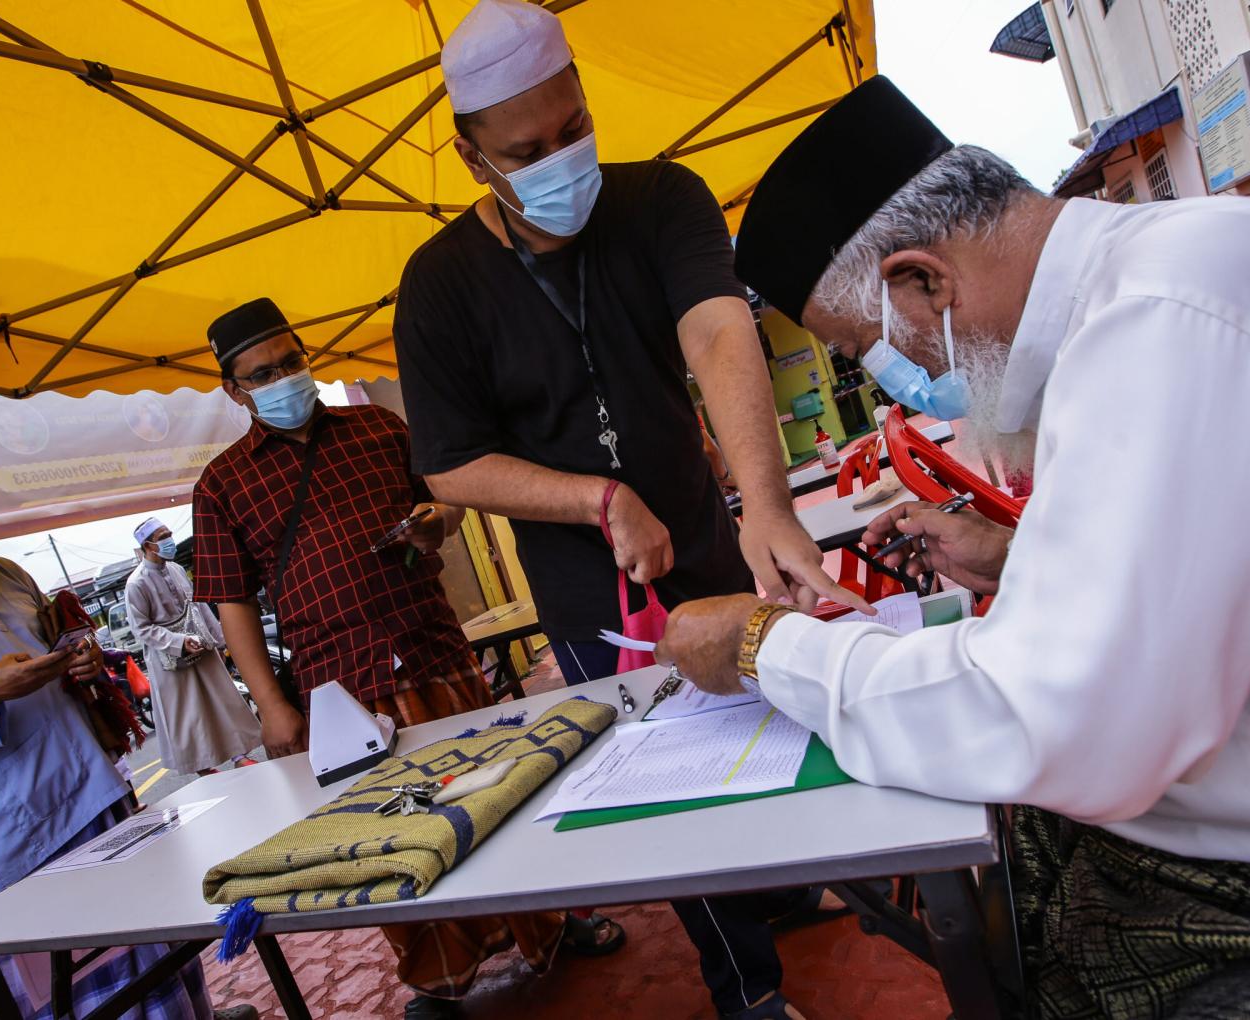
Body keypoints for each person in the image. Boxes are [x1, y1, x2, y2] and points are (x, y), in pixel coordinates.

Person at [657, 76, 1250, 1018]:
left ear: (920, 282)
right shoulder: (1185, 266)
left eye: (867, 353)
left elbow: (1053, 718)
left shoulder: (1162, 321)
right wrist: (1020, 555)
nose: (897, 386)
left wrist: (767, 645)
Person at [392, 4, 853, 1017]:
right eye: (528, 152)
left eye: (572, 129)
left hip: (702, 523)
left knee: (772, 705)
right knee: (672, 771)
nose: (563, 160)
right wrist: (597, 498)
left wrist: (764, 504)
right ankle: (749, 991)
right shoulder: (439, 286)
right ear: (476, 162)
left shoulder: (658, 200)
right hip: (586, 577)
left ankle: (783, 882)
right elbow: (449, 466)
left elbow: (719, 335)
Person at [191, 297, 622, 1019]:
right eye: (263, 373)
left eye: (292, 360)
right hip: (341, 691)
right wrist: (272, 706)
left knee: (500, 796)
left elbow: (446, 500)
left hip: (432, 648)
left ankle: (555, 922)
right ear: (235, 390)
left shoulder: (378, 427)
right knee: (381, 838)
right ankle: (437, 978)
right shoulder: (222, 484)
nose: (284, 378)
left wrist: (436, 525)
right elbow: (230, 599)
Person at [0, 443, 253, 1020]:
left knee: (164, 952)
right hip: (14, 832)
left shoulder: (9, 575)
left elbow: (57, 653)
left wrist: (77, 665)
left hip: (96, 794)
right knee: (91, 988)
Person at [124, 517, 261, 777]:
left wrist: (220, 640)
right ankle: (201, 765)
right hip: (170, 658)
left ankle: (238, 754)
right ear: (147, 545)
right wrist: (177, 643)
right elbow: (141, 628)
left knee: (221, 699)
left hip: (201, 644)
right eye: (162, 536)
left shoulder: (175, 569)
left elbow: (197, 605)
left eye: (169, 534)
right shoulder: (136, 584)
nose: (168, 541)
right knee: (190, 715)